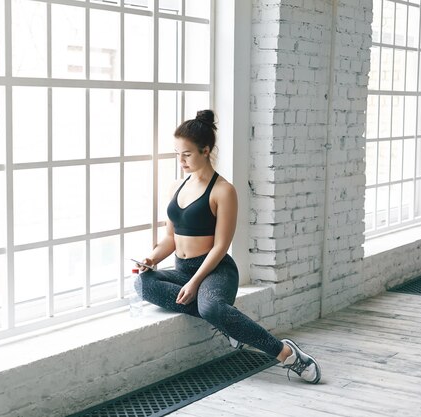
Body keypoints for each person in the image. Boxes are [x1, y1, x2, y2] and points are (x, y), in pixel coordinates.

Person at [135, 110, 321, 384]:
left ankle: (287, 354)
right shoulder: (176, 186)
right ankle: (228, 321)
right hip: (183, 270)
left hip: (215, 271)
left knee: (210, 308)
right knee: (143, 283)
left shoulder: (223, 190)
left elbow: (221, 246)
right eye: (178, 153)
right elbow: (170, 239)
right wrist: (150, 259)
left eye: (186, 154)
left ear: (205, 150)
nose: (181, 160)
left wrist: (196, 282)